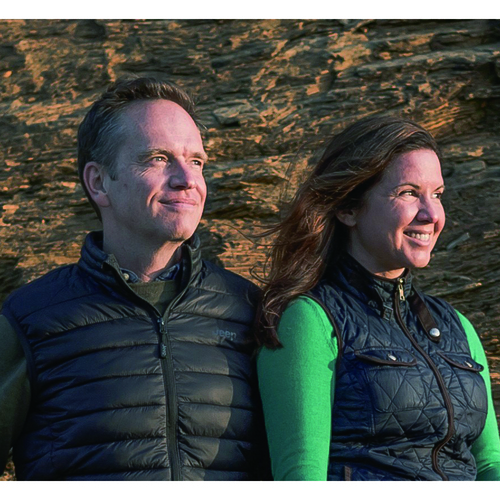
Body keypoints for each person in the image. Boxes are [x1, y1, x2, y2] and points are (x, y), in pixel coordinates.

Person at [0, 77, 269, 481]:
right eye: (158, 158)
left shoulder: (250, 310)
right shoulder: (30, 320)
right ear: (99, 182)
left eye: (197, 161)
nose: (187, 179)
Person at [256, 116, 500, 481]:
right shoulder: (309, 319)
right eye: (408, 193)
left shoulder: (456, 327)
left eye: (437, 194)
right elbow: (302, 478)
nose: (431, 214)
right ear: (348, 208)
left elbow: (490, 464)